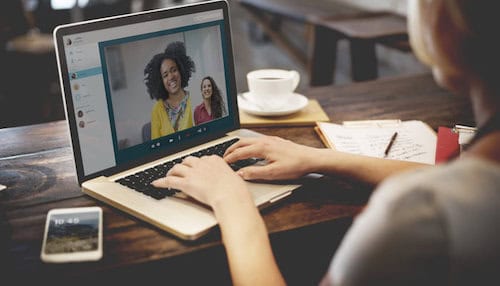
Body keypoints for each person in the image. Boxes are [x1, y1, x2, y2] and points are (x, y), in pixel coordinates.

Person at [153, 0, 500, 285]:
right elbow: (447, 178)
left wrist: (230, 201)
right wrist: (322, 158)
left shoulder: (416, 214)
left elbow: (435, 193)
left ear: (453, 24)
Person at [144, 41, 195, 139]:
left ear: (181, 70)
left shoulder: (195, 98)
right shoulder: (157, 110)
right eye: (165, 75)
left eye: (174, 70)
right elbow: (157, 146)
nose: (171, 77)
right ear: (160, 81)